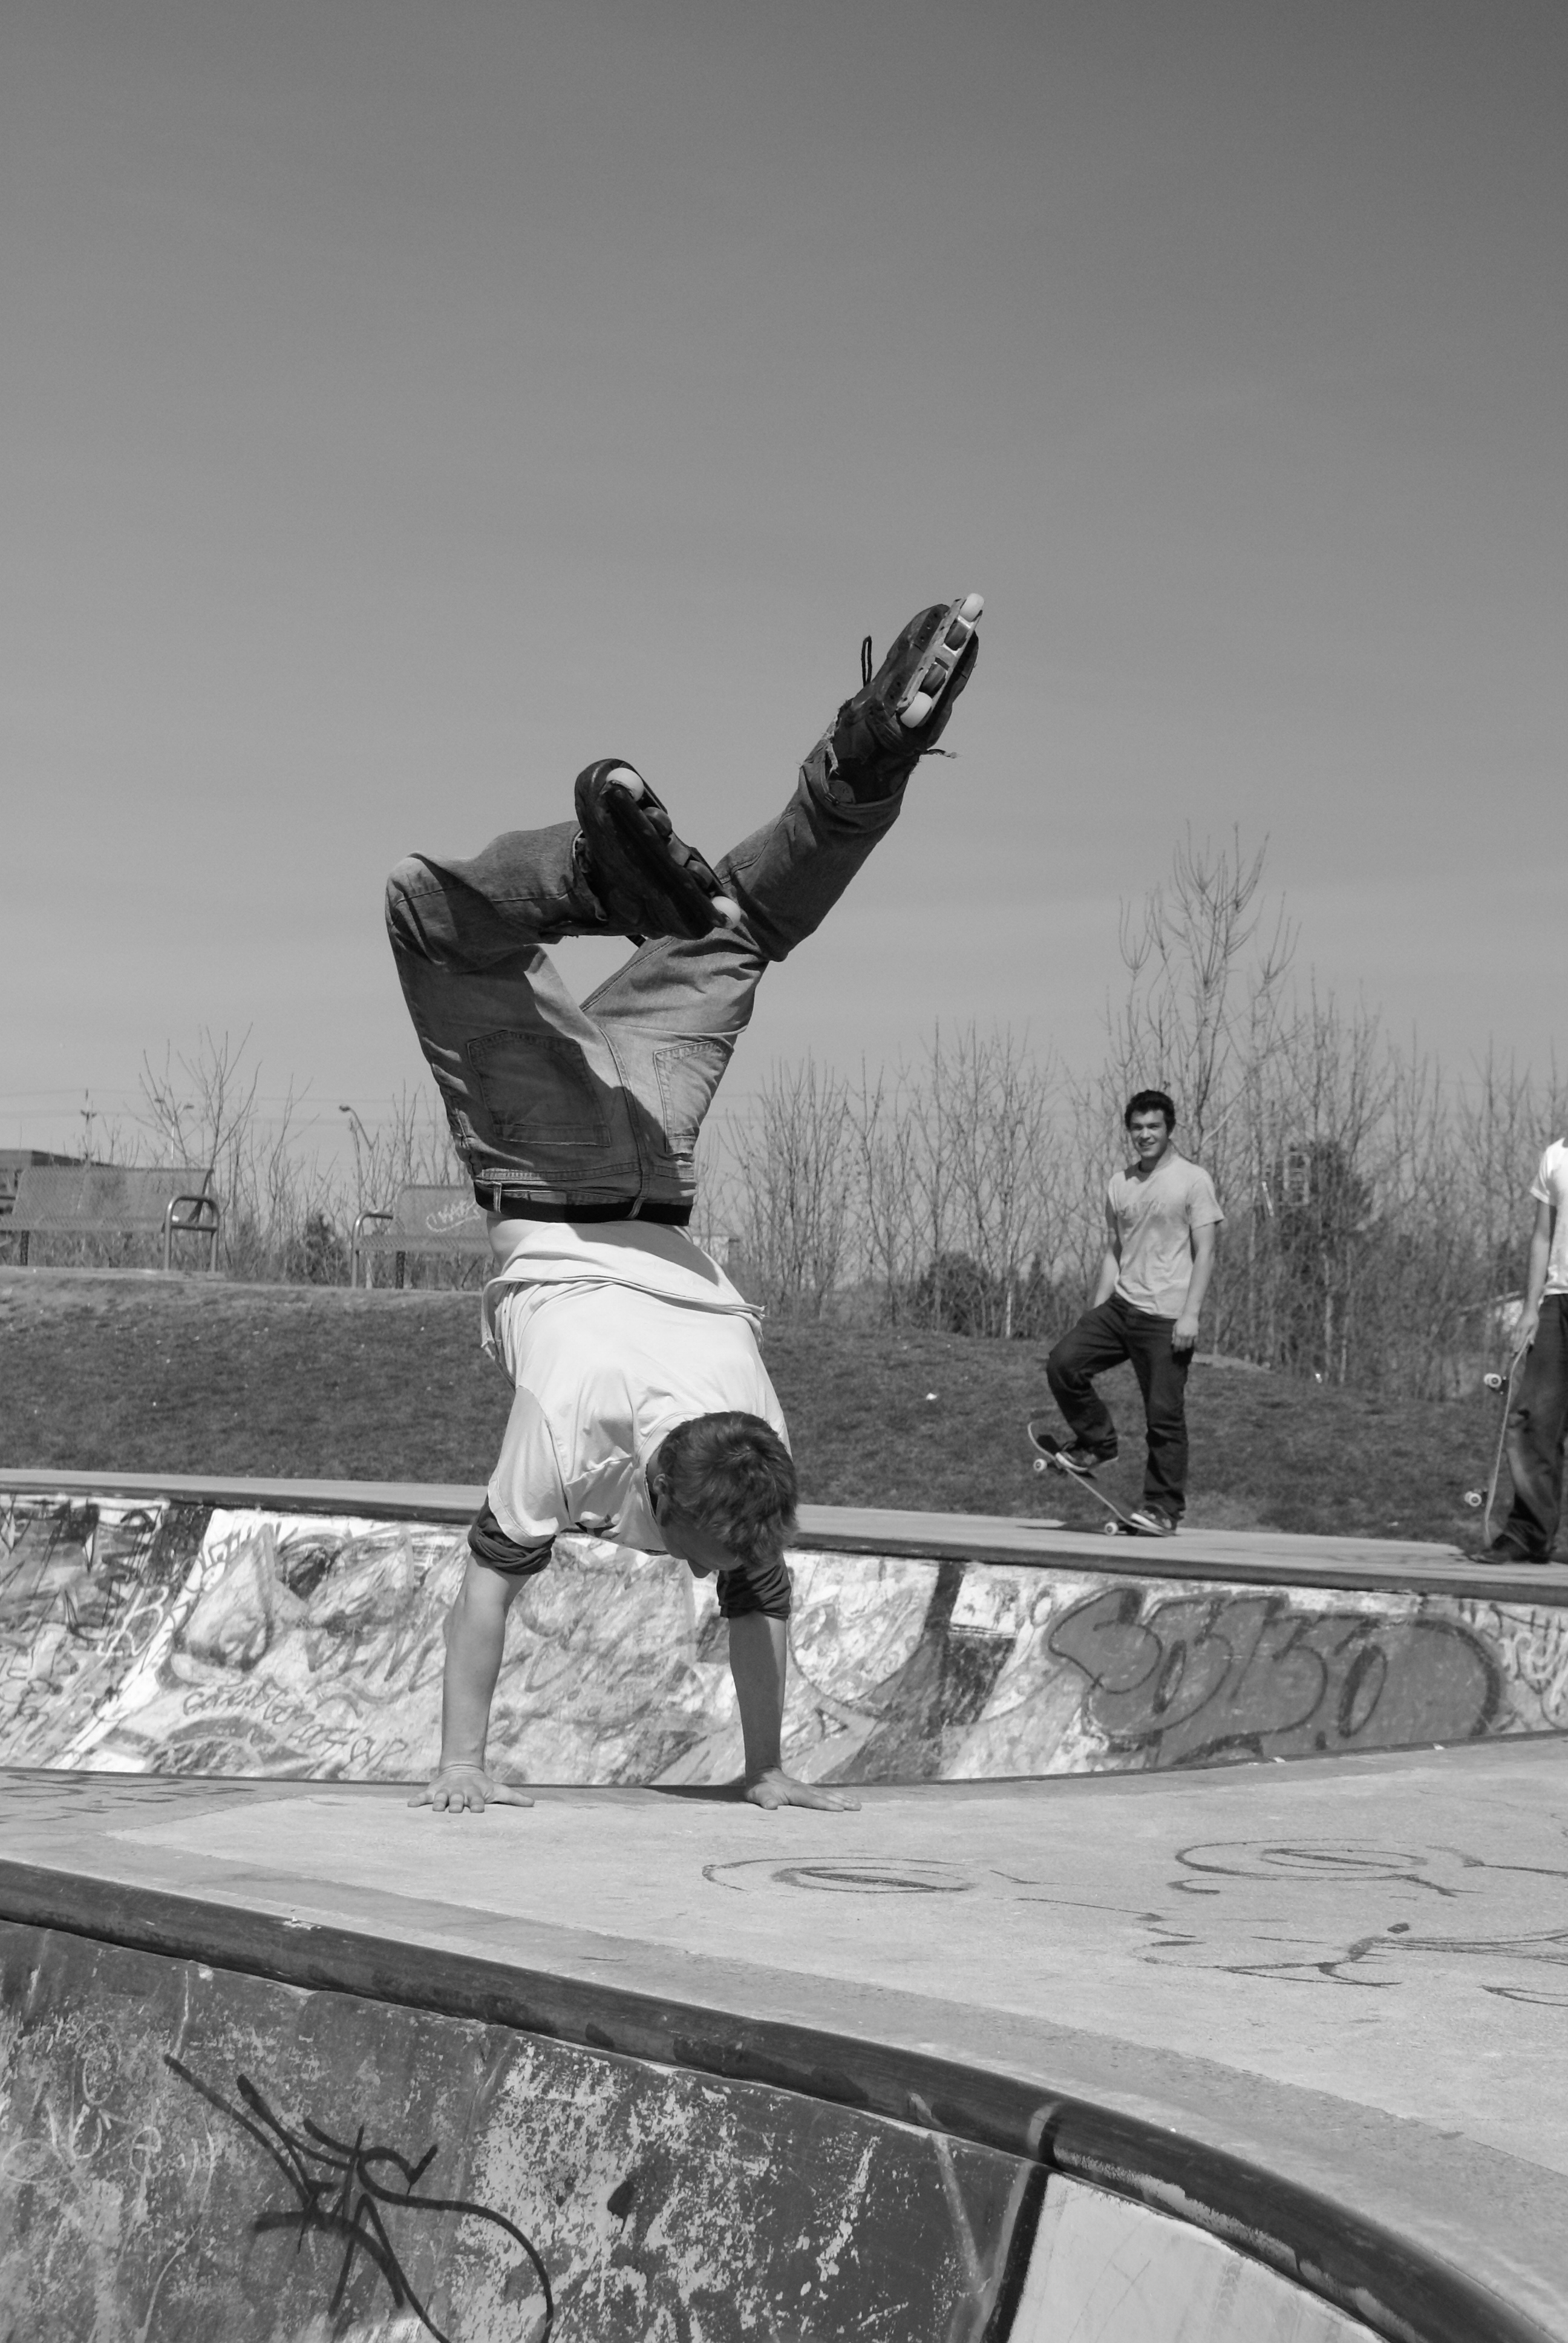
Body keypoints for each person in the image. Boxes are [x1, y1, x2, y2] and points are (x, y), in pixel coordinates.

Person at [384, 593, 983, 1814]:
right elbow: (485, 1588)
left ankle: (867, 762)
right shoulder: (568, 1420)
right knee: (425, 920)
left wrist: (769, 1771)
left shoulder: (757, 1443)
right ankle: (589, 873)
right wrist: (459, 1764)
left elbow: (761, 1597)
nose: (714, 1584)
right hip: (551, 1169)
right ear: (659, 1492)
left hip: (662, 1150)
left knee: (742, 929)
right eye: (709, 1562)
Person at [1043, 1090, 1222, 1535]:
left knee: (1163, 1415)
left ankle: (1162, 1507)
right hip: (1121, 1307)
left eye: (1154, 1127)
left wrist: (1191, 1315)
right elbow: (1113, 1249)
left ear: (1169, 1129)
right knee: (1064, 1362)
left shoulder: (1192, 1180)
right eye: (1138, 1128)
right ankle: (1096, 1443)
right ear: (1130, 1131)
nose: (1145, 1135)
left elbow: (1207, 1253)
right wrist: (1097, 1310)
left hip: (1166, 1317)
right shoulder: (1119, 1183)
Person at [1484, 1136, 1567, 1564]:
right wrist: (1530, 1308)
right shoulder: (1556, 1156)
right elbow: (1542, 1235)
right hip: (1558, 1301)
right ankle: (1529, 1534)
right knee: (1533, 1418)